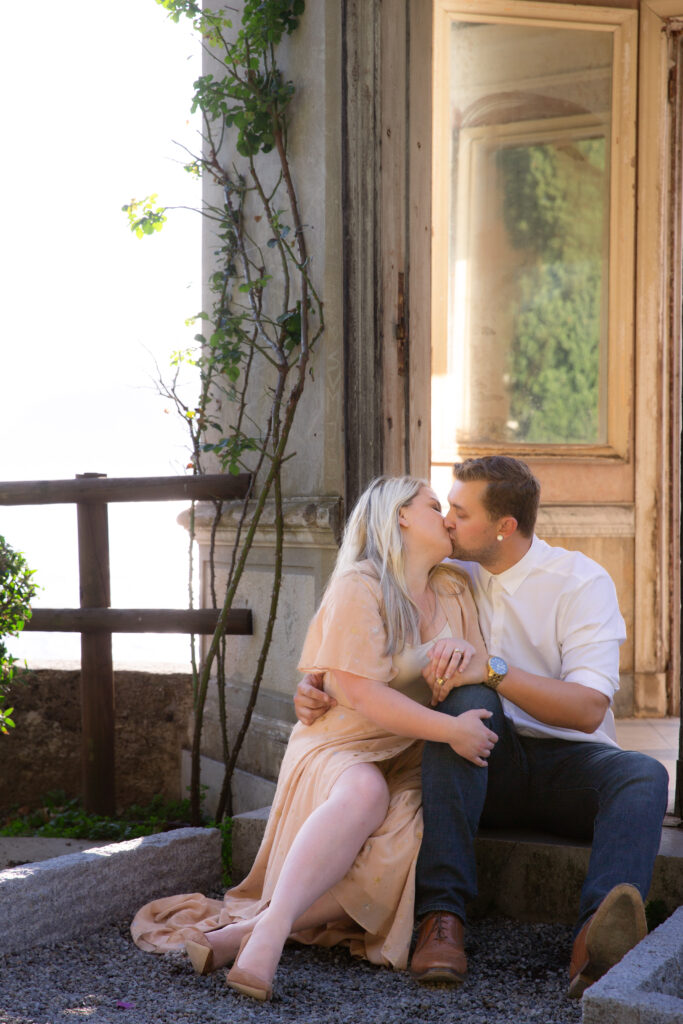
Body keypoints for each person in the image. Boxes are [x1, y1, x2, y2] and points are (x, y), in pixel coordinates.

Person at [295, 456, 669, 999]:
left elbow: (590, 708)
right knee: (466, 699)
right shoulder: (450, 571)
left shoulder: (579, 581)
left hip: (568, 765)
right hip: (476, 759)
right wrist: (318, 682)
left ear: (505, 527)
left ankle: (598, 940)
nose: (446, 521)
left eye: (460, 512)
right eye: (444, 508)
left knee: (643, 775)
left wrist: (493, 670)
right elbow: (368, 628)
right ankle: (441, 918)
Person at [131, 475, 497, 1001]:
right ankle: (272, 934)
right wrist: (452, 730)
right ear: (399, 516)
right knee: (365, 794)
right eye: (434, 505)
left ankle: (243, 933)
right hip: (342, 743)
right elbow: (362, 695)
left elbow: (476, 669)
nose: (445, 517)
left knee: (408, 838)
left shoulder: (455, 589)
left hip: (412, 750)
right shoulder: (361, 585)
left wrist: (460, 685)